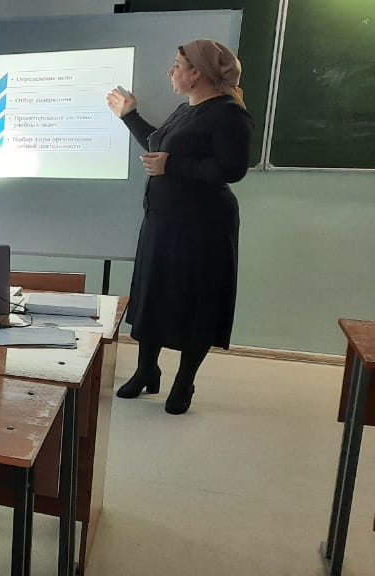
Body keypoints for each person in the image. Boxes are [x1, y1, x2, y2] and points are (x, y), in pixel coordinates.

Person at [107, 39, 253, 414]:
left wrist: (172, 166)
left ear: (196, 73)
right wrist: (129, 116)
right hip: (164, 221)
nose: (170, 72)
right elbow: (158, 146)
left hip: (204, 227)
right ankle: (146, 370)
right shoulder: (185, 109)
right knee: (153, 294)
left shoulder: (229, 114)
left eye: (176, 65)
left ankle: (184, 382)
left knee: (197, 302)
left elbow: (232, 169)